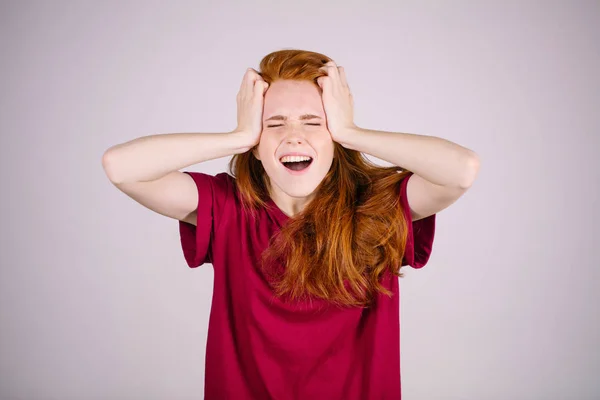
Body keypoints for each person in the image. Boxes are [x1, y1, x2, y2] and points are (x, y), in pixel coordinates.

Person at [102, 49, 480, 399]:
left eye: (314, 122)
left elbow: (460, 171)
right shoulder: (227, 207)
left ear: (334, 136)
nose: (294, 135)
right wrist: (236, 137)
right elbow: (121, 167)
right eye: (275, 124)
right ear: (256, 142)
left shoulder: (375, 206)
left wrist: (352, 132)